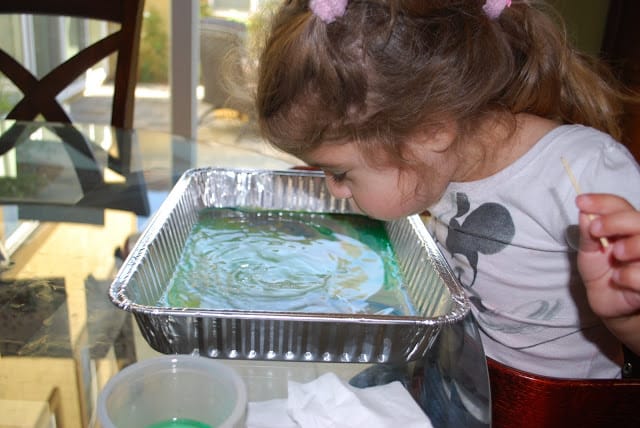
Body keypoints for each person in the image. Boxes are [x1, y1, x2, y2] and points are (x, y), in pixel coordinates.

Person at [253, 0, 640, 378]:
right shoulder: (436, 162)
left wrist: (627, 318)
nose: (335, 189)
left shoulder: (587, 172)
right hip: (466, 380)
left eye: (340, 173)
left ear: (429, 133)